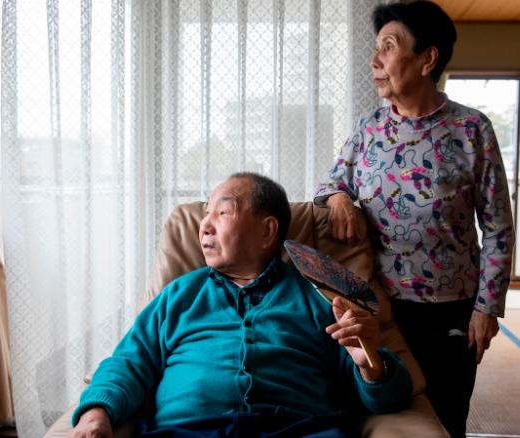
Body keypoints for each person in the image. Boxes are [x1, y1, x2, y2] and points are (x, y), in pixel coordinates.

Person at [71, 172, 412, 438]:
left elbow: (388, 399)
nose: (204, 225)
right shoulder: (178, 296)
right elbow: (128, 363)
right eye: (206, 214)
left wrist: (371, 363)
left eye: (222, 212)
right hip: (185, 431)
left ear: (267, 232)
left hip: (298, 430)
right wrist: (96, 412)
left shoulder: (320, 297)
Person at [314, 2, 515, 437]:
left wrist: (487, 308)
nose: (375, 61)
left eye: (389, 47)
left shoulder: (471, 129)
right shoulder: (368, 128)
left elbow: (498, 226)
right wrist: (339, 198)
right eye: (376, 48)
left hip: (451, 309)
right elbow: (329, 185)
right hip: (377, 306)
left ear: (427, 59)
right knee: (382, 410)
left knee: (444, 416)